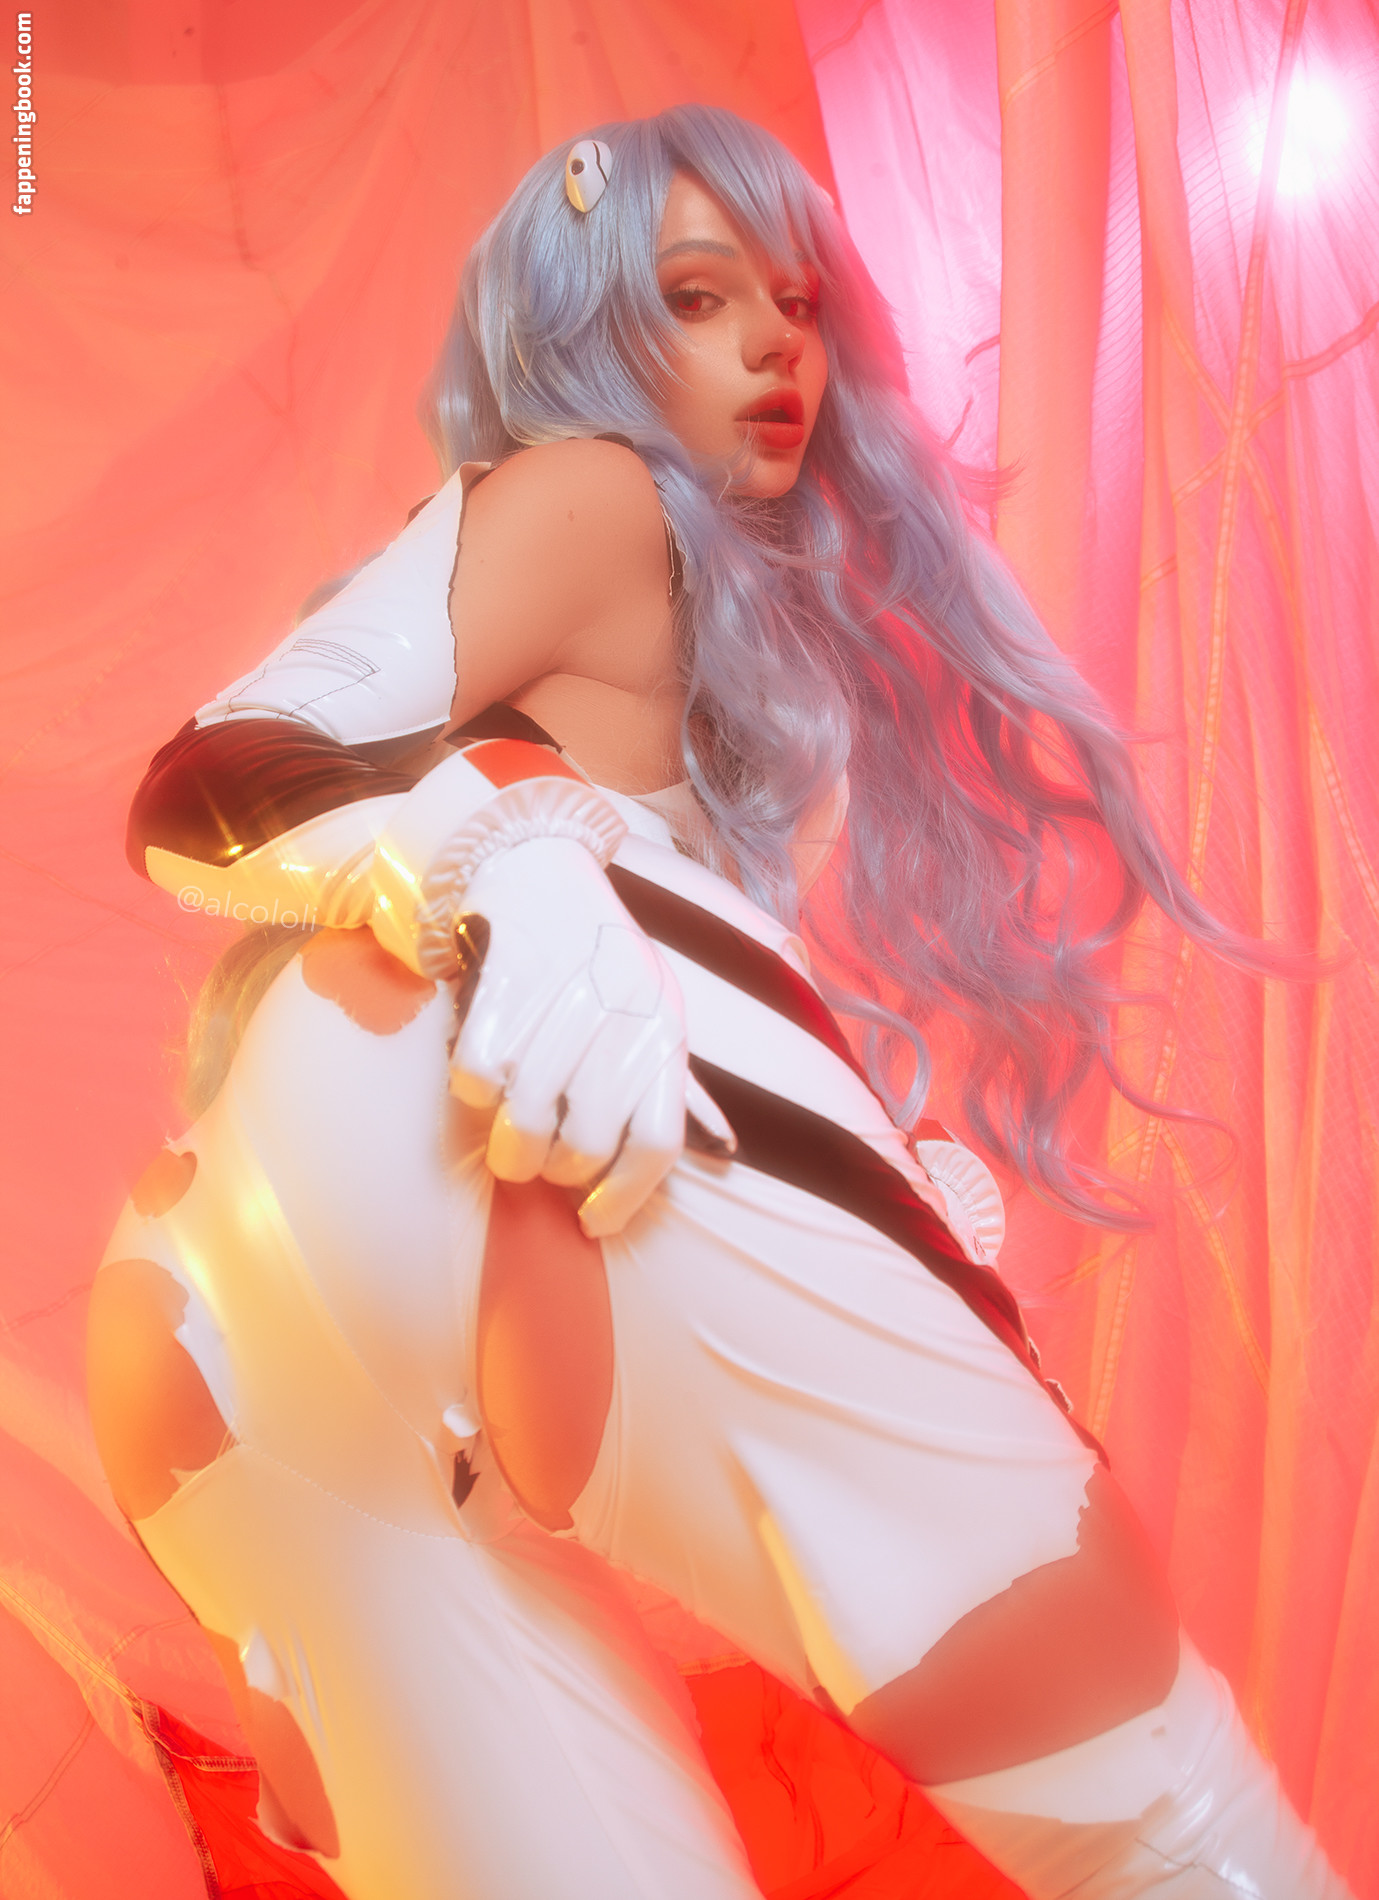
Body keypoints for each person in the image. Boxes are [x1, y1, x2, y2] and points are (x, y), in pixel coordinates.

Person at [90, 106, 1354, 1899]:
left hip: (220, 1319)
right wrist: (500, 847)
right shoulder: (595, 493)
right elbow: (212, 775)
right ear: (586, 320)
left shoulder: (681, 597)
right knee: (1158, 1810)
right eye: (700, 296)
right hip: (440, 1190)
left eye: (799, 302)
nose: (777, 345)